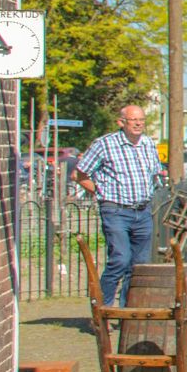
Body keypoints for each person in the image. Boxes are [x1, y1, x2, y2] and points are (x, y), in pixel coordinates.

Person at [74, 105, 161, 306]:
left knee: (139, 265)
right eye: (134, 120)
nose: (139, 124)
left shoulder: (148, 144)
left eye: (142, 120)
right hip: (116, 211)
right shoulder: (105, 144)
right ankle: (102, 308)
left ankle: (127, 310)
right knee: (120, 259)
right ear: (121, 122)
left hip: (142, 211)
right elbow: (79, 175)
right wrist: (101, 192)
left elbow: (154, 175)